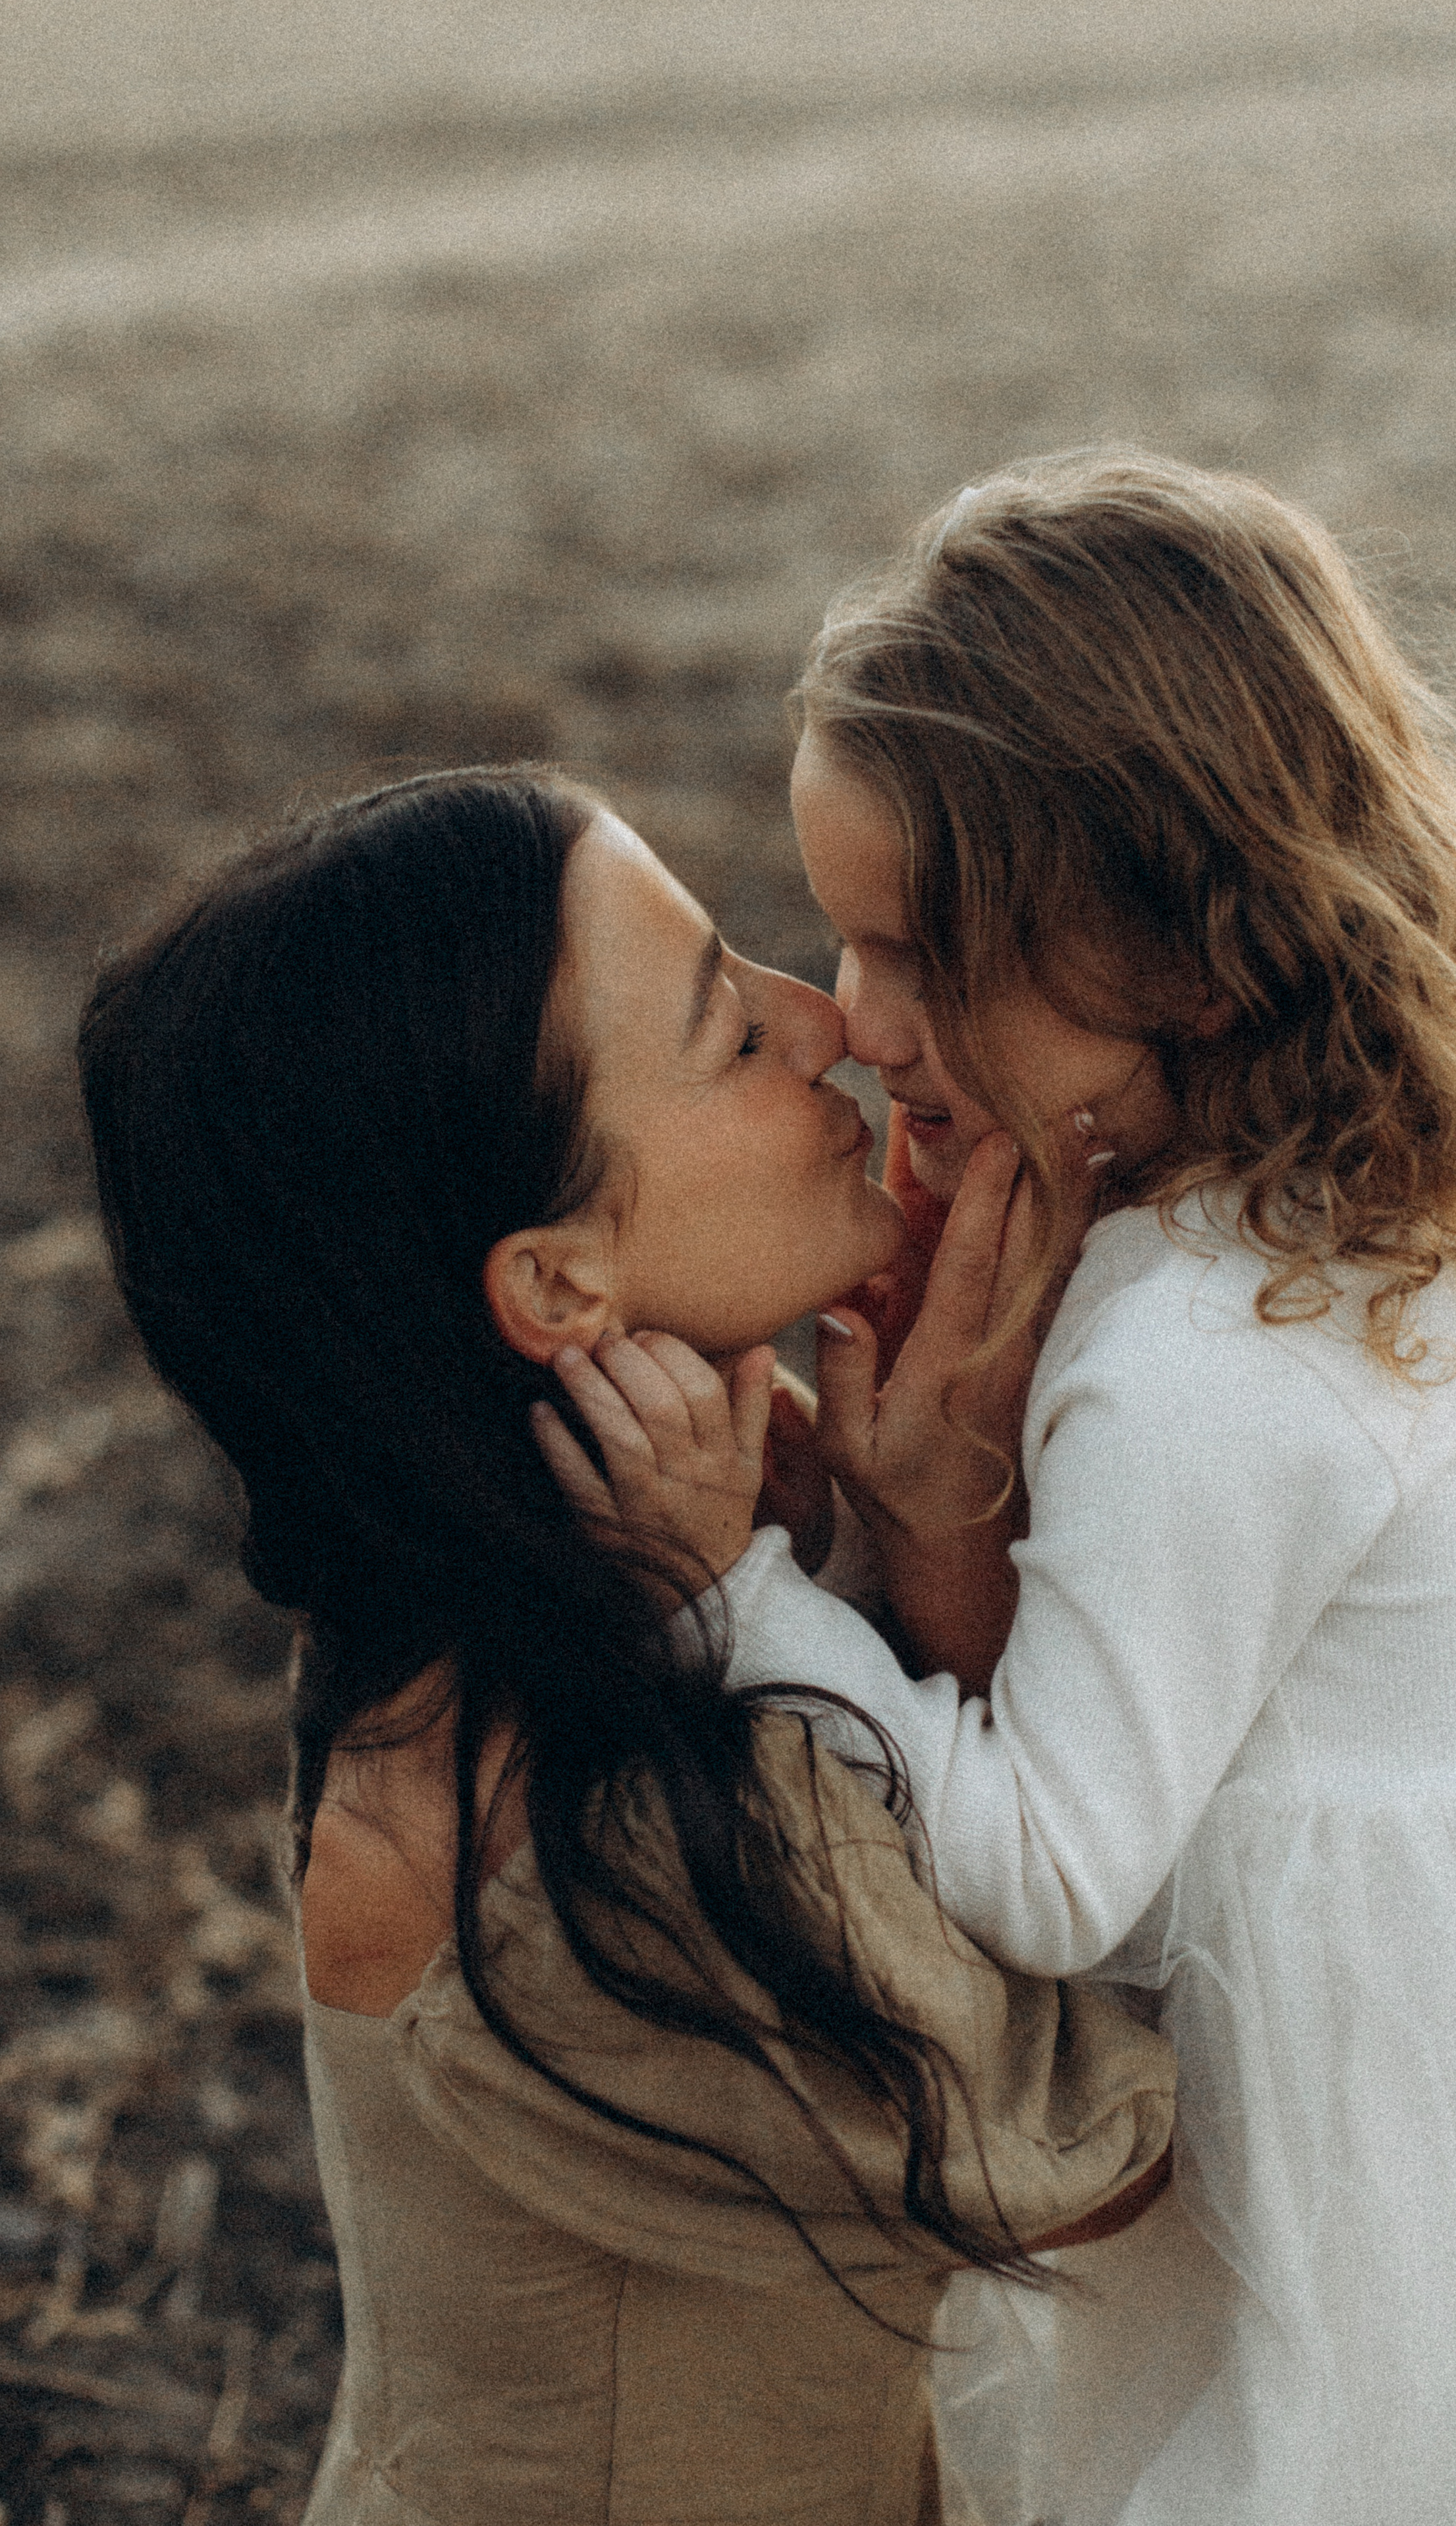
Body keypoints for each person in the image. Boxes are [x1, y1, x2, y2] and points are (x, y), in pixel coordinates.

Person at [538, 454, 1456, 2523]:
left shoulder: (1201, 1362)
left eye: (919, 953)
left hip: (1375, 2110)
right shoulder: (1321, 1190)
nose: (862, 1023)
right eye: (842, 937)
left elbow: (1059, 1873)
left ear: (1188, 945)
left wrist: (744, 1594)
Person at [75, 767, 1177, 2526]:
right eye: (725, 1034)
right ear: (560, 1291)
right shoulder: (578, 1825)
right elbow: (1083, 2145)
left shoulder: (500, 1593)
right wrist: (848, 1592)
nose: (821, 1024)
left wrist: (909, 1533)